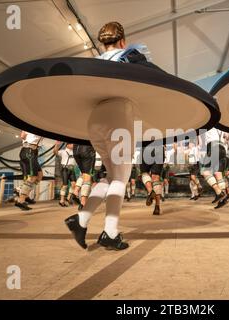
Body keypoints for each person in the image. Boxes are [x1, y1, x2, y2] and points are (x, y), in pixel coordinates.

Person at [65, 21, 154, 250]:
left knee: (110, 176)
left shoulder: (94, 64)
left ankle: (82, 220)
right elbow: (155, 78)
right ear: (122, 41)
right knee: (121, 179)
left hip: (95, 121)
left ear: (102, 43)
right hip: (119, 118)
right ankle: (108, 231)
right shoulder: (130, 55)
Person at [199, 128, 229, 209]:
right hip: (222, 148)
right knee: (218, 174)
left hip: (213, 146)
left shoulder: (208, 124)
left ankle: (219, 193)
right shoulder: (222, 127)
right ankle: (222, 200)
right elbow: (226, 137)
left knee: (204, 172)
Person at [16, 131, 43, 211]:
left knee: (39, 176)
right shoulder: (32, 123)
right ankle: (21, 201)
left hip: (33, 152)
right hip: (29, 151)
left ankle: (22, 192)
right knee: (32, 177)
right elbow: (22, 136)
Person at [140, 141, 164, 215]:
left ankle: (150, 192)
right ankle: (157, 207)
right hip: (159, 147)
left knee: (144, 173)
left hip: (145, 147)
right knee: (156, 177)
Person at [71, 144, 96, 210]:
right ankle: (83, 202)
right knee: (87, 177)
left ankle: (75, 191)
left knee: (84, 174)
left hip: (75, 150)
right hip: (87, 149)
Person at [54, 142, 77, 207]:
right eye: (72, 144)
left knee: (74, 185)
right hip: (65, 170)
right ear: (68, 145)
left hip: (72, 170)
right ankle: (61, 201)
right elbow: (55, 152)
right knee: (65, 185)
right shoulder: (63, 151)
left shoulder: (74, 152)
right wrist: (56, 145)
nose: (73, 145)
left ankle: (68, 198)